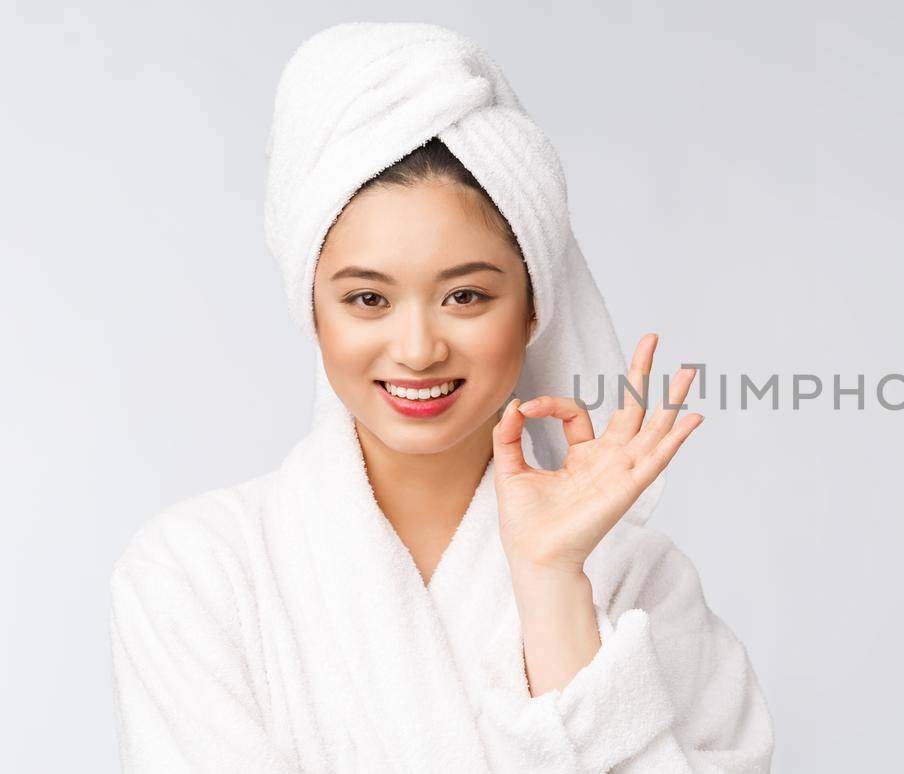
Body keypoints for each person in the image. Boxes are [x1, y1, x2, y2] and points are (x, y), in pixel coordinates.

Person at [108, 22, 774, 773]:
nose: (419, 347)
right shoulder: (199, 573)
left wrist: (552, 581)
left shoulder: (639, 582)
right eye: (367, 299)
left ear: (532, 309)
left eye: (465, 295)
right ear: (313, 311)